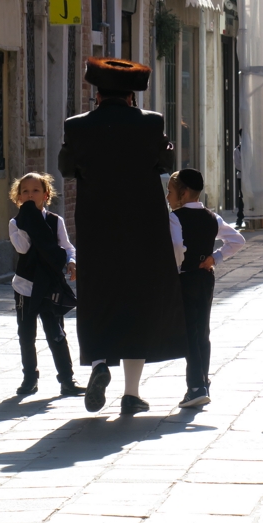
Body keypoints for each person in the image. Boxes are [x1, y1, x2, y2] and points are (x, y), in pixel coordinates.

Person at [59, 57, 187, 415]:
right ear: (132, 94)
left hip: (97, 223)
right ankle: (132, 393)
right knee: (139, 302)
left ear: (96, 92)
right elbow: (164, 165)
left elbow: (67, 168)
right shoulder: (151, 123)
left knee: (98, 295)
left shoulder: (77, 125)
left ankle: (99, 364)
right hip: (143, 225)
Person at [166, 168, 245, 408]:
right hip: (205, 278)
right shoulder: (213, 217)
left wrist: (178, 266)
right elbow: (237, 240)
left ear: (184, 192)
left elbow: (178, 246)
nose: (167, 197)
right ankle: (204, 381)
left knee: (189, 331)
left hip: (185, 278)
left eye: (170, 192)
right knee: (203, 330)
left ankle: (195, 386)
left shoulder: (174, 217)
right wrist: (215, 258)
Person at [8, 173, 85, 397]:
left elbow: (67, 247)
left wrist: (71, 262)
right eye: (25, 191)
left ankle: (67, 379)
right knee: (26, 334)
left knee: (56, 333)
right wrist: (28, 220)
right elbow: (22, 248)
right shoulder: (16, 223)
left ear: (46, 194)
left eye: (35, 190)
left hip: (50, 286)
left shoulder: (54, 221)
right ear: (18, 197)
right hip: (25, 287)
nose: (30, 195)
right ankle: (30, 378)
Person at [234, 130, 244, 228]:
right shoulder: (237, 149)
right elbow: (237, 165)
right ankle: (240, 218)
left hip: (251, 176)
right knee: (242, 196)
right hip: (242, 176)